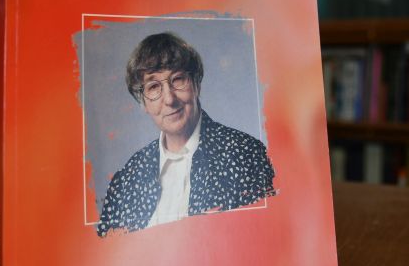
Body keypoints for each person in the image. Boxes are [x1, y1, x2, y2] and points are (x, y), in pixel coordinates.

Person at [96, 32, 276, 237]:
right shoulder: (126, 181)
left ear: (196, 84)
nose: (169, 99)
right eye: (153, 87)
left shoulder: (247, 156)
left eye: (178, 79)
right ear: (143, 103)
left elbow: (265, 239)